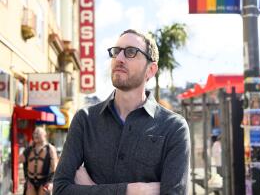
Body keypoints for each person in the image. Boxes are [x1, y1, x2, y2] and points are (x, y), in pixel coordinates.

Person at [53, 29, 191, 194]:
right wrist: (131, 191)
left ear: (151, 70)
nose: (119, 58)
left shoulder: (174, 127)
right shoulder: (85, 120)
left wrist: (90, 187)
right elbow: (60, 190)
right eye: (116, 51)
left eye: (131, 52)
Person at [19, 127, 58, 195]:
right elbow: (20, 160)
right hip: (30, 181)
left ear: (45, 135)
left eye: (38, 133)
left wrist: (51, 182)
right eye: (34, 133)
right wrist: (27, 148)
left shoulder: (50, 149)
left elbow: (54, 168)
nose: (35, 135)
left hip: (44, 181)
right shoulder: (30, 148)